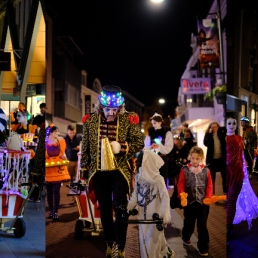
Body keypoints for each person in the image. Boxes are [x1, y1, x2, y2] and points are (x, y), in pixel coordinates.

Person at [80, 85, 144, 258]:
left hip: (119, 172)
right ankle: (110, 244)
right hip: (99, 173)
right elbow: (85, 147)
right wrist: (83, 171)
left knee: (120, 208)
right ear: (101, 106)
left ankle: (121, 246)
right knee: (105, 210)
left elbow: (139, 142)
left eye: (115, 109)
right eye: (108, 109)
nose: (111, 113)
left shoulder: (128, 119)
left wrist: (122, 147)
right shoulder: (91, 120)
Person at [127, 150, 175, 258]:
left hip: (154, 216)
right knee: (143, 240)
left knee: (153, 241)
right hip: (142, 216)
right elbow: (135, 194)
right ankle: (165, 252)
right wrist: (129, 208)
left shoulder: (158, 179)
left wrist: (164, 214)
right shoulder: (139, 177)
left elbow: (165, 197)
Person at [226, 116, 258, 240]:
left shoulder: (240, 138)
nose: (232, 125)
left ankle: (229, 226)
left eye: (234, 123)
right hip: (227, 174)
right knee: (228, 200)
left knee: (232, 201)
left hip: (238, 174)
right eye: (229, 123)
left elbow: (241, 156)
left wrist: (244, 171)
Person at [177, 146, 213, 257]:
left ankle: (203, 247)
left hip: (202, 203)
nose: (194, 161)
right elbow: (181, 184)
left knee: (202, 225)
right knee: (189, 223)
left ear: (201, 158)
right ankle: (186, 236)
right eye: (192, 158)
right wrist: (182, 195)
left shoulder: (206, 170)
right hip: (189, 202)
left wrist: (208, 197)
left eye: (197, 159)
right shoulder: (184, 169)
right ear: (190, 157)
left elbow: (209, 185)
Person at [45, 125, 70, 220]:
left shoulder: (61, 142)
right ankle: (51, 211)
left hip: (58, 171)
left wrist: (64, 157)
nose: (58, 133)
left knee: (56, 192)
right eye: (56, 132)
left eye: (58, 132)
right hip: (48, 171)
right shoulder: (45, 144)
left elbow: (64, 155)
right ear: (51, 133)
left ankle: (55, 212)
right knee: (49, 193)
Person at [144, 112, 174, 187]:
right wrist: (150, 148)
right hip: (151, 159)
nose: (153, 125)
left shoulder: (167, 133)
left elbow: (169, 147)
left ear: (160, 122)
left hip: (162, 159)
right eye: (152, 123)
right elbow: (146, 146)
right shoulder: (150, 133)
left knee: (162, 180)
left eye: (155, 123)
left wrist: (159, 146)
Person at [203, 121, 227, 194]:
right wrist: (210, 134)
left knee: (225, 176)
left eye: (215, 127)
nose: (214, 128)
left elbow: (226, 130)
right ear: (210, 128)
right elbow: (206, 143)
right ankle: (212, 193)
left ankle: (225, 192)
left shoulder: (222, 134)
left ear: (218, 127)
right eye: (212, 127)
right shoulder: (208, 135)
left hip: (222, 159)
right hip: (212, 160)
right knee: (212, 178)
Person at [64, 124, 82, 204]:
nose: (72, 134)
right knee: (71, 180)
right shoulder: (64, 139)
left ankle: (76, 197)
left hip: (77, 161)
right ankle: (72, 197)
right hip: (69, 161)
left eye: (73, 133)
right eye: (70, 133)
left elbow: (83, 146)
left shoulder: (79, 137)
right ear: (67, 132)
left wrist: (80, 148)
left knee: (77, 179)